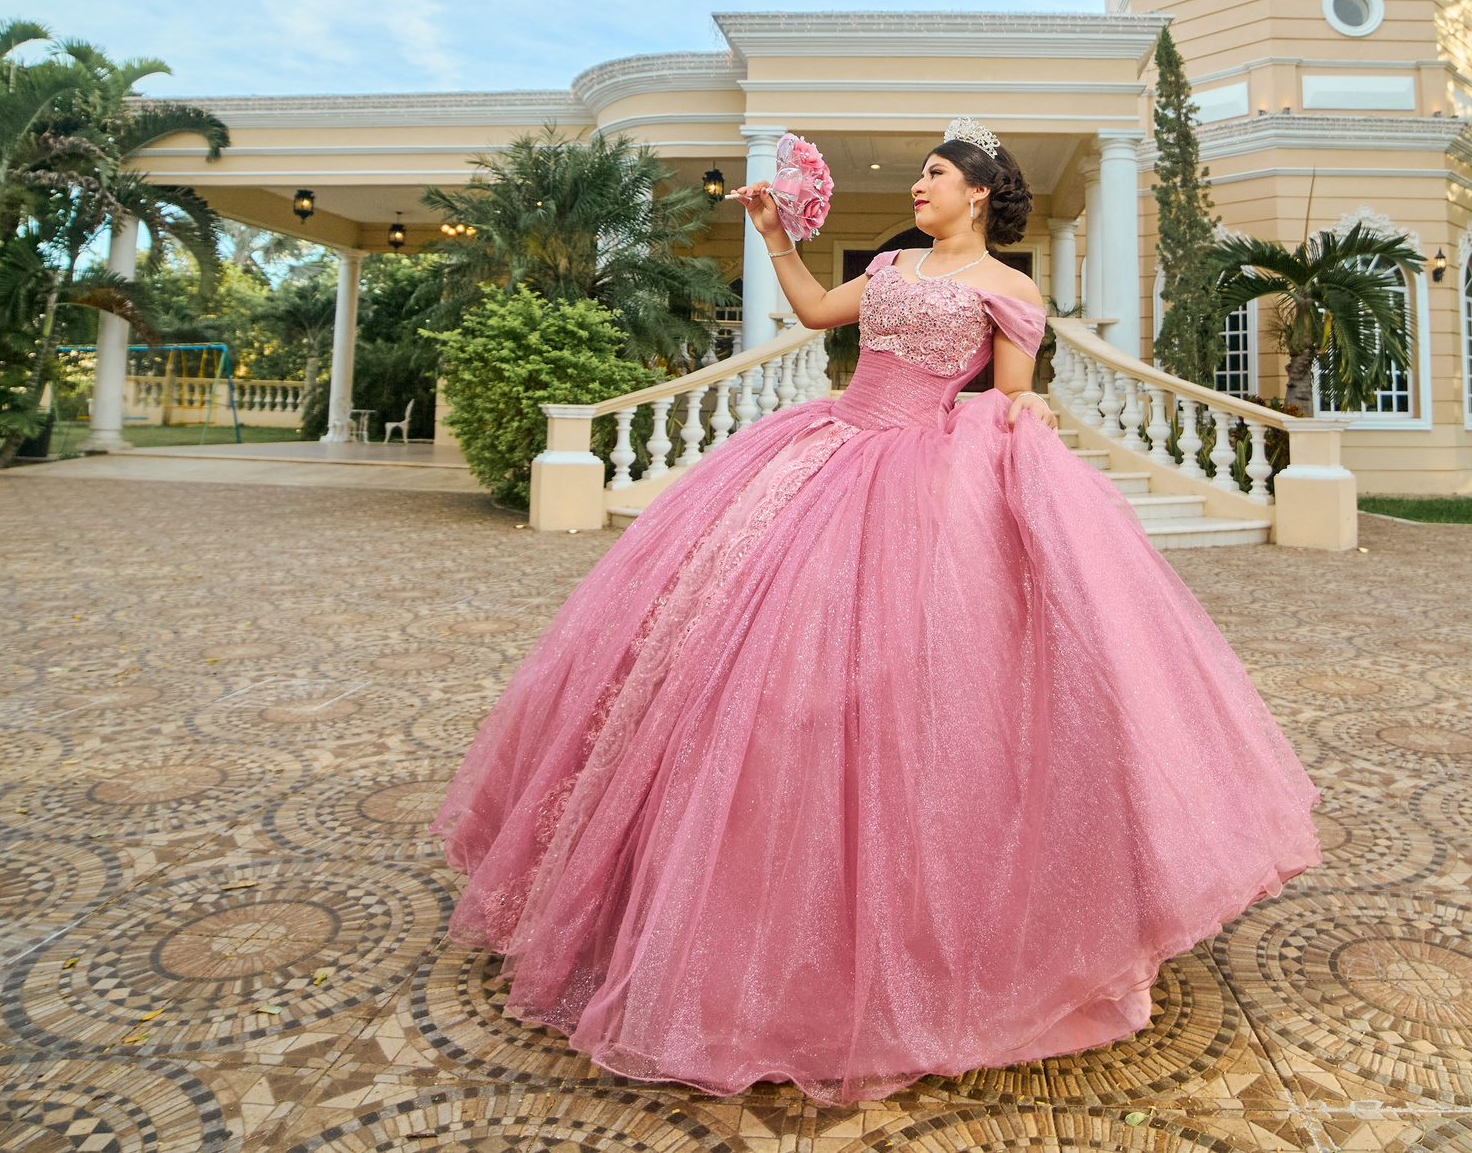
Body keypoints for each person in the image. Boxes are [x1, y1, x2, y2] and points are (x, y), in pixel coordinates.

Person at [432, 118, 1323, 1105]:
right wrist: (775, 233)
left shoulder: (1011, 292)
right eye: (918, 176)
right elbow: (816, 311)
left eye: (933, 176)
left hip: (921, 477)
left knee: (903, 691)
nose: (917, 188)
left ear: (976, 192)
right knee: (730, 660)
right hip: (824, 452)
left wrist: (1021, 418)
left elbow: (1016, 395)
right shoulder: (894, 268)